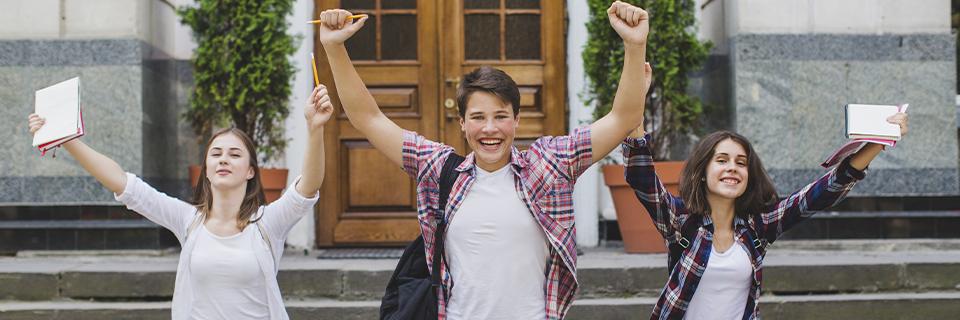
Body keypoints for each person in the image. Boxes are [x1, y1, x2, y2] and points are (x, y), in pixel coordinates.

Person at [316, 1, 652, 319]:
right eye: (478, 117)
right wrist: (335, 48)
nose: (490, 129)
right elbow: (368, 118)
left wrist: (635, 45)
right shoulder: (439, 169)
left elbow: (623, 118)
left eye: (501, 116)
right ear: (462, 124)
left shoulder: (549, 165)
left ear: (517, 120)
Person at [26, 84, 335, 320]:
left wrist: (315, 128)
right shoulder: (188, 220)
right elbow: (122, 182)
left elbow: (307, 185)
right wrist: (67, 140)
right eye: (215, 154)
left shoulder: (268, 223)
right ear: (206, 170)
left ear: (251, 171)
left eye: (234, 154)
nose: (223, 159)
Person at [623, 114, 909, 318]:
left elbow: (822, 193)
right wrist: (635, 112)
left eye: (741, 163)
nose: (732, 168)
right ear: (702, 173)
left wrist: (878, 143)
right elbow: (642, 178)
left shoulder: (758, 226)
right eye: (721, 161)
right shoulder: (680, 221)